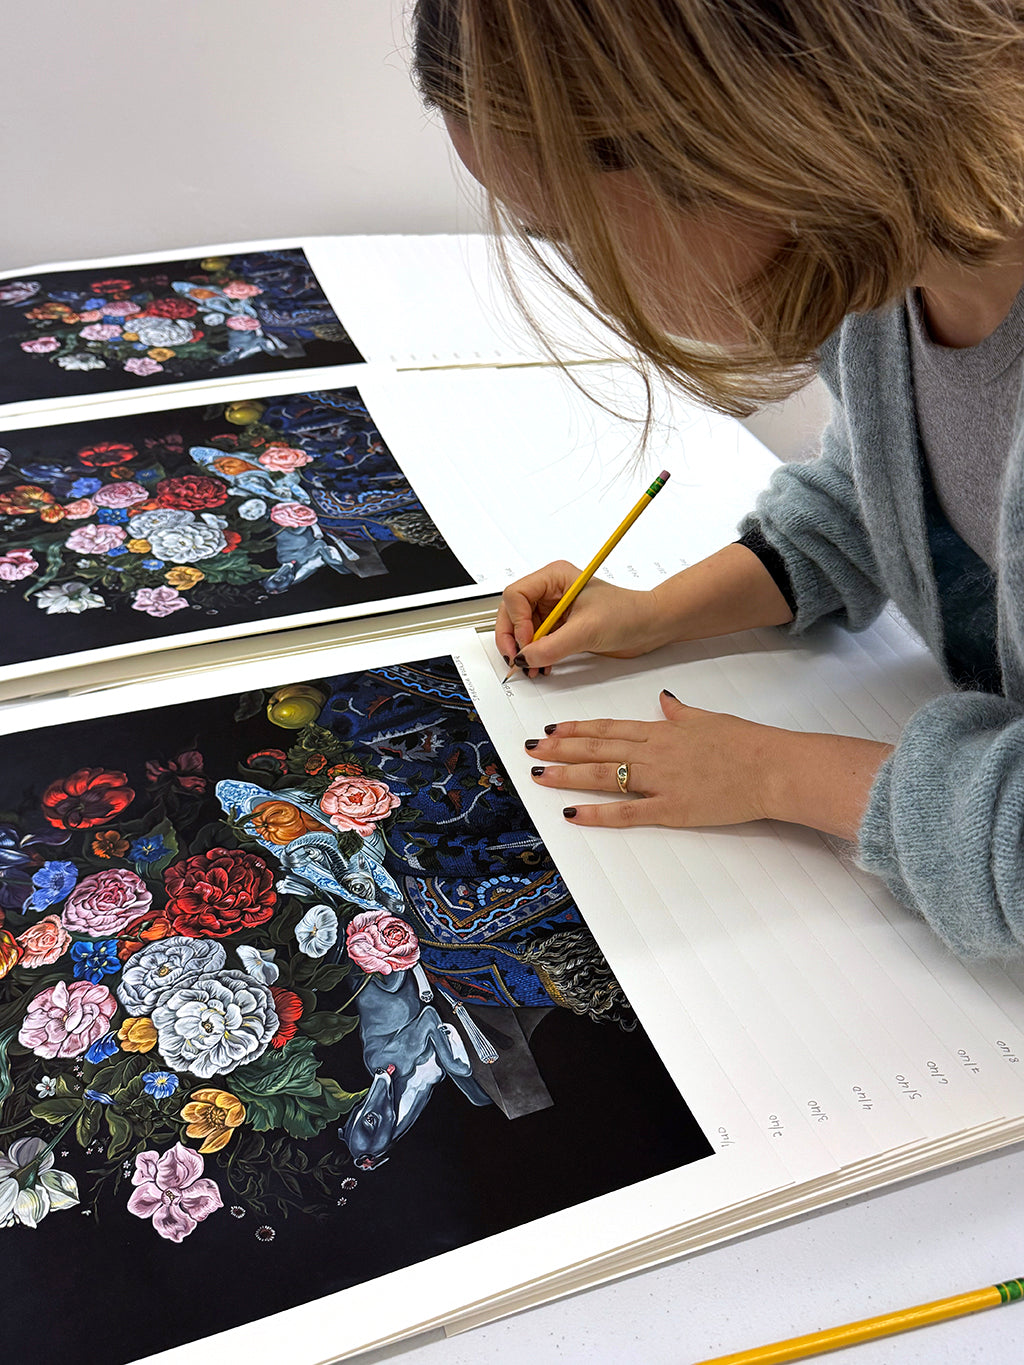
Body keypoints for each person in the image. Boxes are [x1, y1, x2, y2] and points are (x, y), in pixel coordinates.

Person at [412, 0, 1024, 958]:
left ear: (734, 136)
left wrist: (773, 771)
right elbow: (888, 496)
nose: (586, 272)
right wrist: (657, 612)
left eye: (564, 229)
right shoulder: (891, 266)